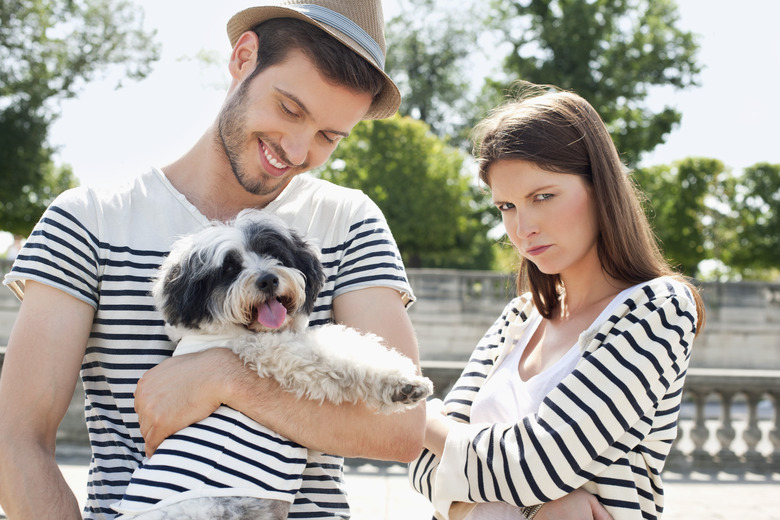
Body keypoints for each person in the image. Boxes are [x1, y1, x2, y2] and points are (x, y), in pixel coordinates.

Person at [0, 1, 426, 519]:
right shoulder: (88, 220)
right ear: (244, 58)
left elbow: (402, 430)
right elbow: (15, 441)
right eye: (290, 109)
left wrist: (225, 375)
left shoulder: (350, 219)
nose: (295, 150)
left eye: (328, 136)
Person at [409, 85, 705, 520]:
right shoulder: (519, 317)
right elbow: (419, 469)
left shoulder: (658, 308)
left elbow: (537, 465)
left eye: (542, 196)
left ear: (600, 187)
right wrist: (533, 511)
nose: (522, 227)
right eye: (506, 206)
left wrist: (423, 422)